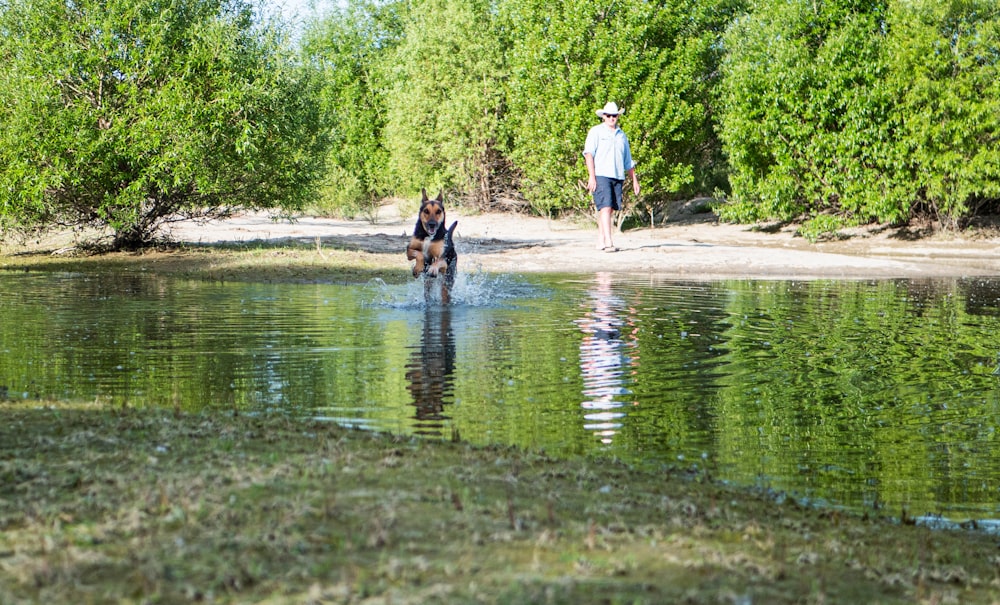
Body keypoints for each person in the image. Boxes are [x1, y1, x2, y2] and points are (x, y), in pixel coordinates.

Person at [583, 101, 640, 252]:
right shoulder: (596, 132)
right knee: (605, 206)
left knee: (610, 209)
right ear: (603, 116)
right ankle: (609, 241)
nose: (611, 118)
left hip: (617, 175)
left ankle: (601, 239)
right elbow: (589, 154)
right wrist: (591, 176)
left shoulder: (622, 136)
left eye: (614, 115)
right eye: (608, 115)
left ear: (617, 117)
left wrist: (634, 179)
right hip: (601, 174)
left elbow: (628, 160)